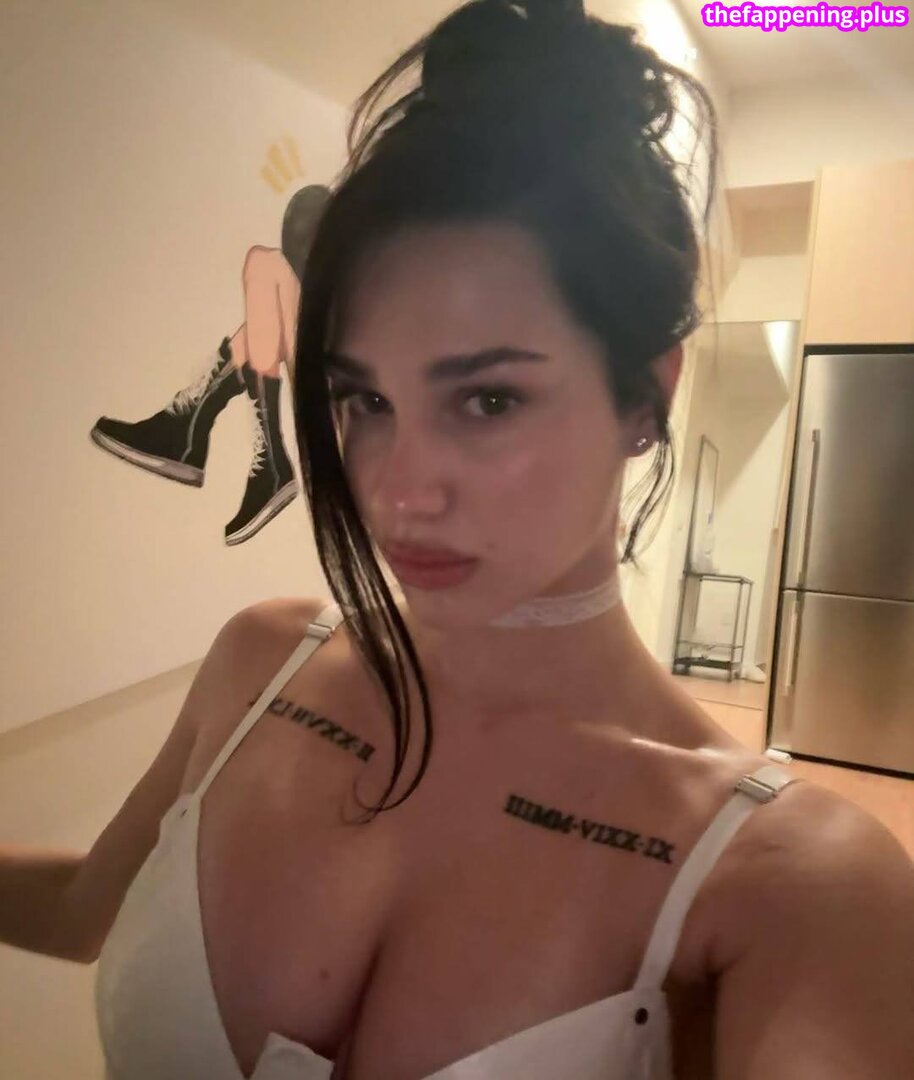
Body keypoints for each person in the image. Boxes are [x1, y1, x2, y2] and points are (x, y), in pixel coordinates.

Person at [3, 2, 913, 1077]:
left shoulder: (793, 880)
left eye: (486, 400)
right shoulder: (261, 661)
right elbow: (87, 905)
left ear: (645, 394)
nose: (396, 491)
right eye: (363, 400)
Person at [89, 184, 330, 546]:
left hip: (337, 399)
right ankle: (213, 437)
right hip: (329, 374)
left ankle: (196, 429)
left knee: (266, 267)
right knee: (266, 279)